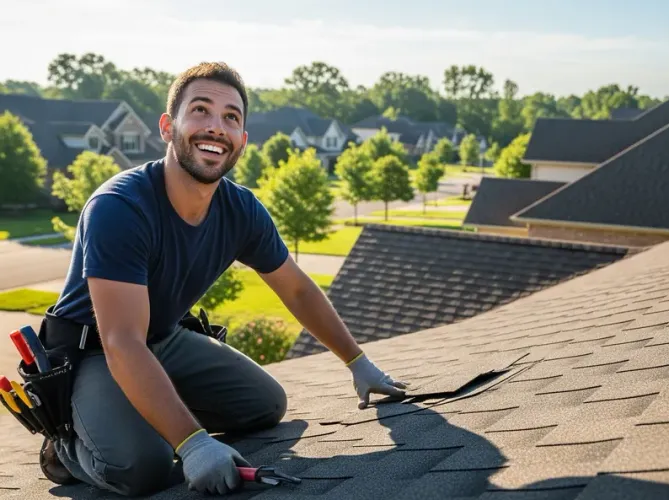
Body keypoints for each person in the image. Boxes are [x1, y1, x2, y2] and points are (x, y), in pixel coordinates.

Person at [38, 61, 408, 497]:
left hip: (162, 339)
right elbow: (120, 341)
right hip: (92, 351)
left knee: (265, 406)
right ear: (167, 126)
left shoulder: (241, 209)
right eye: (200, 110)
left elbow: (296, 288)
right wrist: (194, 444)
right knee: (143, 468)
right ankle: (64, 446)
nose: (216, 127)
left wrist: (358, 363)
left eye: (231, 118)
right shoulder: (120, 207)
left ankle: (149, 412)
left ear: (242, 141)